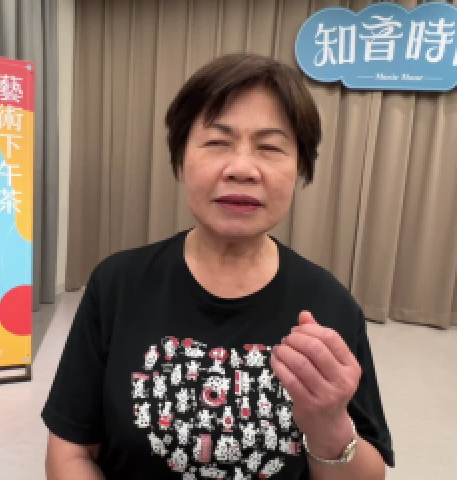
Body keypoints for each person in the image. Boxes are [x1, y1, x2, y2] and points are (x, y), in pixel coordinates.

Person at [42, 53, 394, 479]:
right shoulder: (117, 285)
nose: (242, 169)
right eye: (217, 143)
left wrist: (329, 427)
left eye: (270, 147)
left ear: (300, 168)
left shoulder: (330, 306)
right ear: (180, 160)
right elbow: (71, 451)